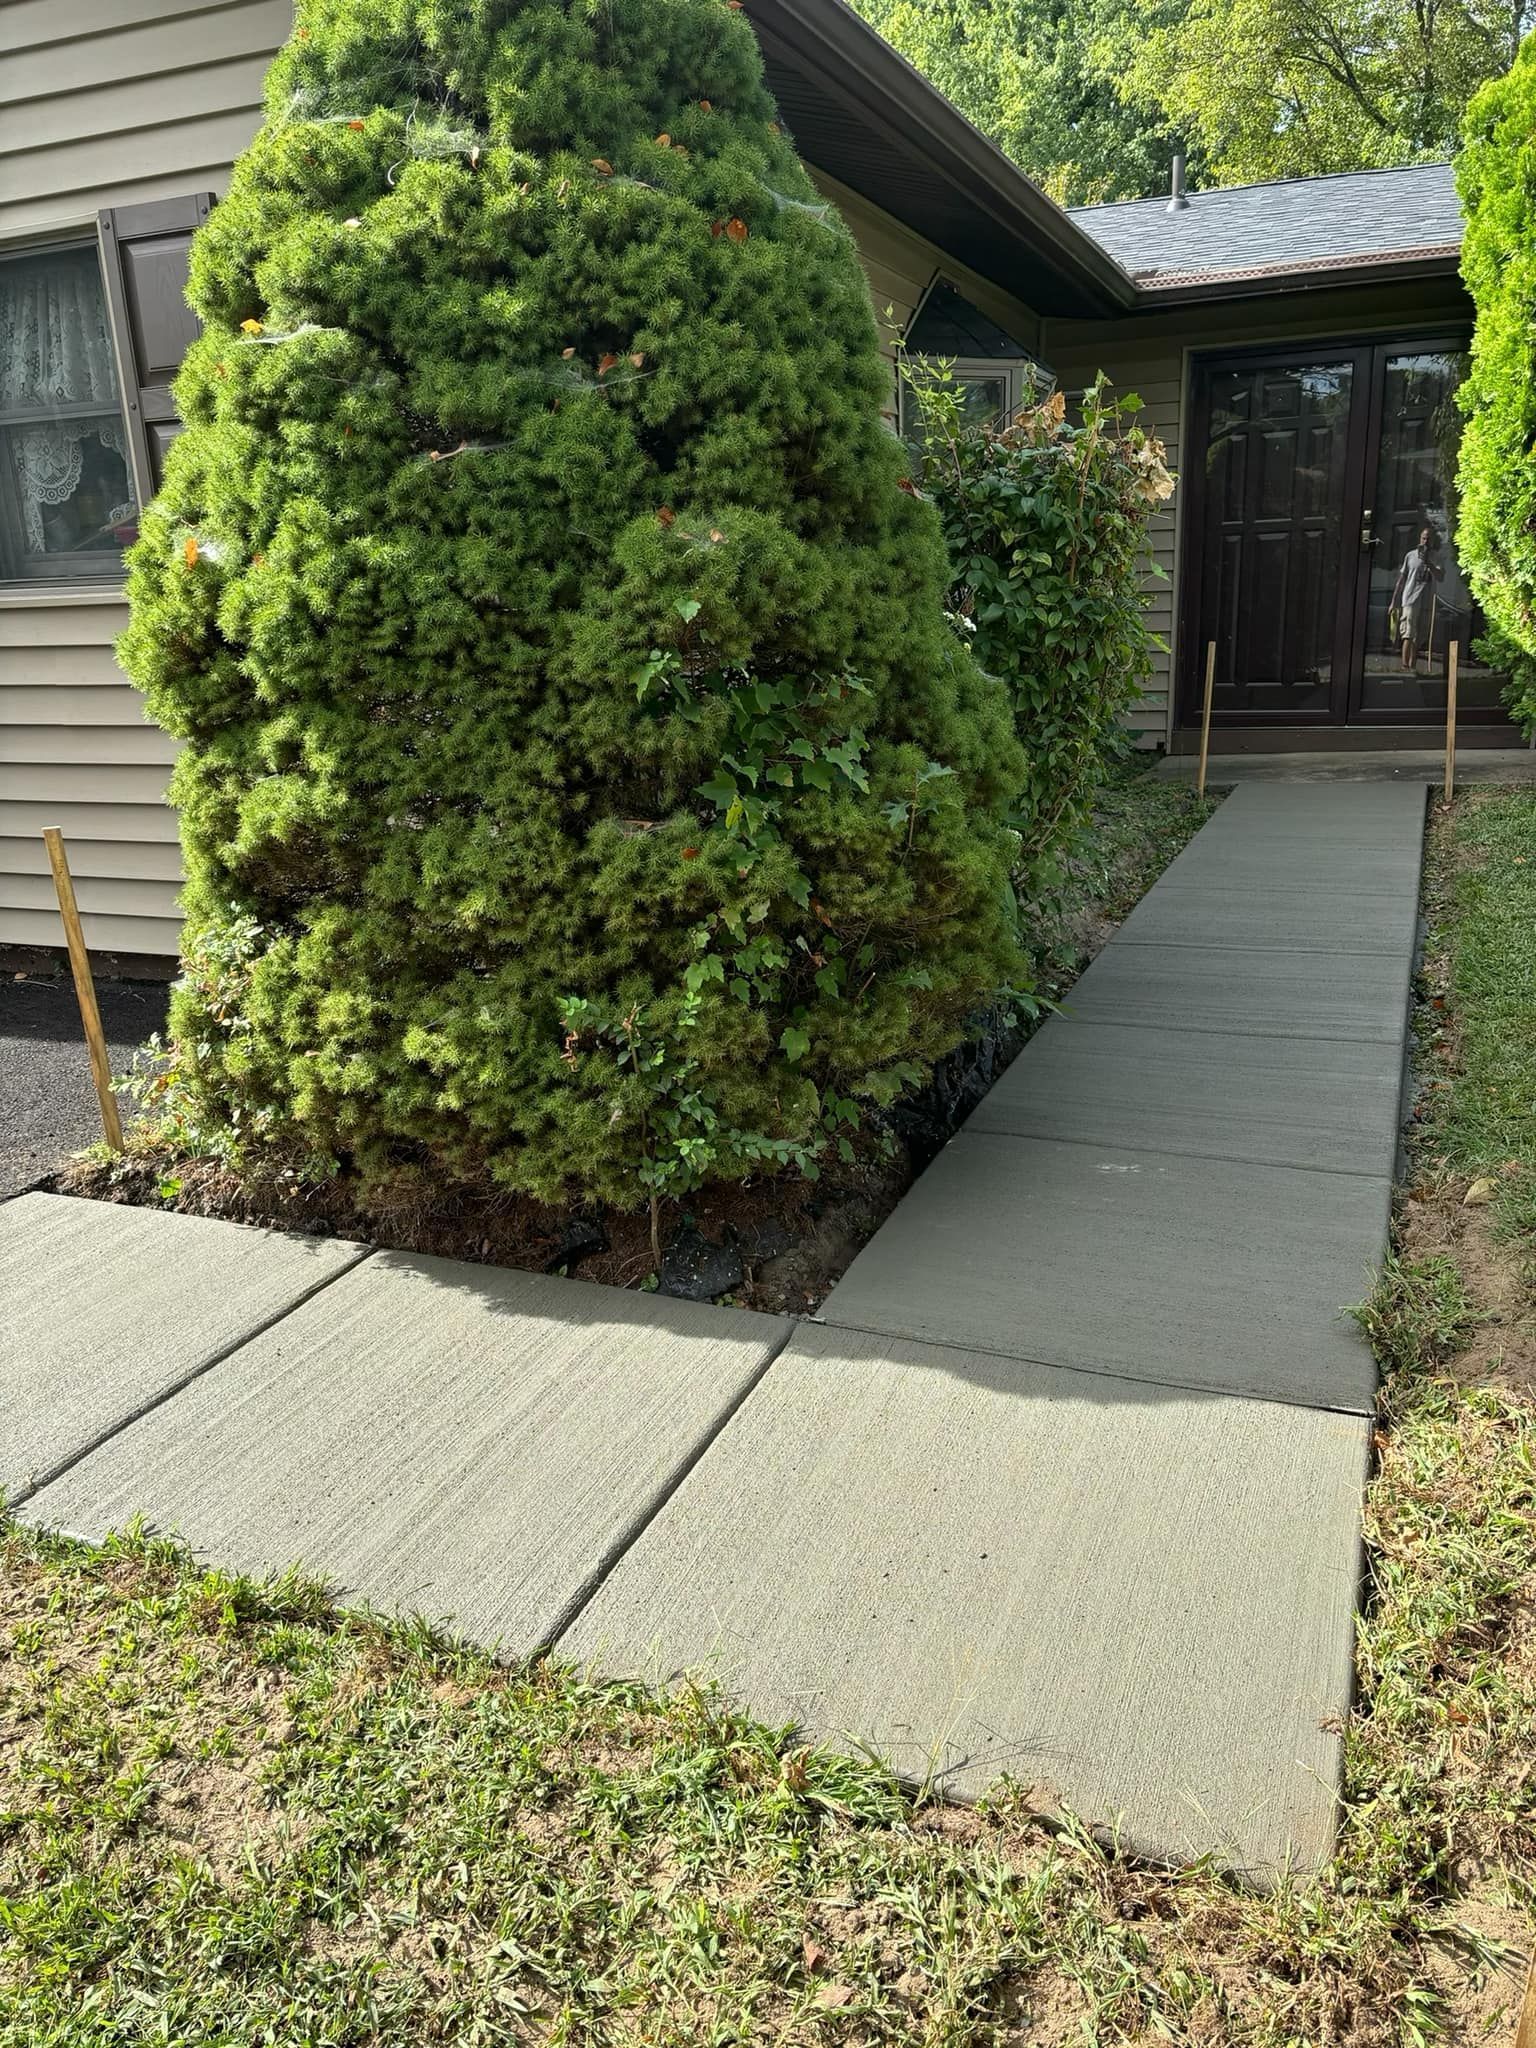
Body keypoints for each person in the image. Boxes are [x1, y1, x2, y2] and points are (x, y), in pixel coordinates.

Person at [1390, 527, 1445, 671]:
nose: (1426, 541)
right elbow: (1401, 579)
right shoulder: (1410, 556)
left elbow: (1440, 577)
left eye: (1428, 539)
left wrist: (1429, 563)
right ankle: (1404, 666)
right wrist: (1393, 601)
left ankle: (1413, 667)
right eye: (1423, 538)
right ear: (1420, 539)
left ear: (1432, 541)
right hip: (1410, 599)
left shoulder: (1436, 557)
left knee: (1419, 636)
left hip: (1426, 600)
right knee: (1408, 633)